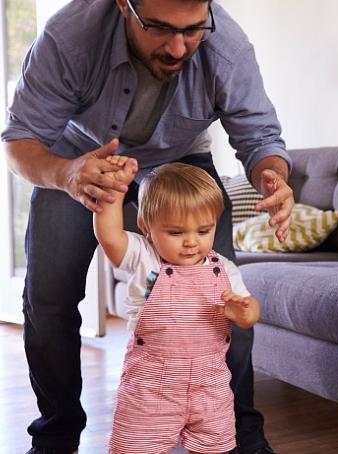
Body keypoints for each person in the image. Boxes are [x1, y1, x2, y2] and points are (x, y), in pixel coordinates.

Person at [1, 0, 293, 453]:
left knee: (222, 299)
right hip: (79, 157)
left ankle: (244, 439)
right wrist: (67, 174)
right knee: (48, 298)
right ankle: (55, 439)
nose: (178, 47)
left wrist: (271, 177)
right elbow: (19, 140)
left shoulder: (227, 46)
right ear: (124, 6)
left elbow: (260, 139)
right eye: (158, 28)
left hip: (181, 159)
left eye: (193, 30)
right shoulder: (70, 36)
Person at [95, 159, 259, 454]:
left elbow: (250, 310)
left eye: (204, 230)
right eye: (175, 232)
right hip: (150, 390)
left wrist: (246, 313)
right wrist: (115, 189)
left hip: (210, 390)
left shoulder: (225, 269)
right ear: (147, 227)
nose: (191, 242)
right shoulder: (144, 257)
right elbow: (108, 236)